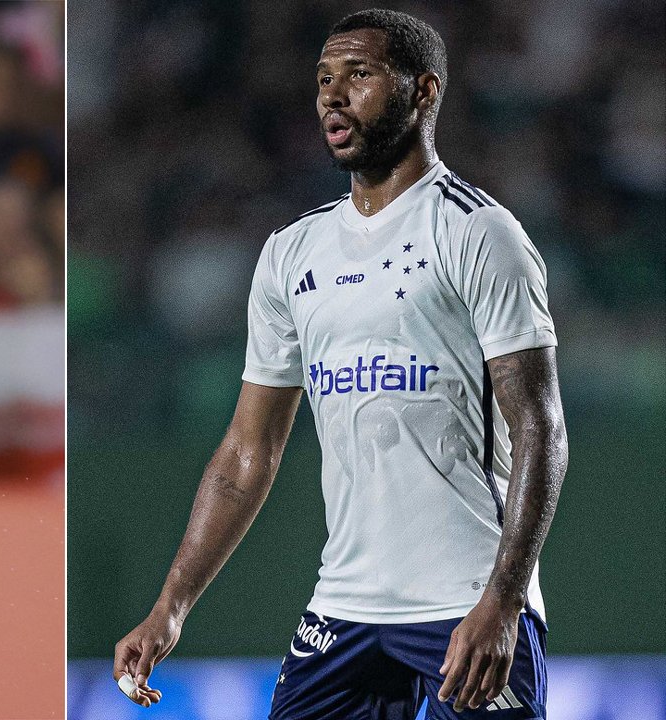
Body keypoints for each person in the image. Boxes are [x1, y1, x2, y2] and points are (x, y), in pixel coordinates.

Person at [113, 9, 567, 719]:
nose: (332, 94)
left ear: (424, 92)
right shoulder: (292, 253)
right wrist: (171, 606)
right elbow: (245, 451)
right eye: (324, 78)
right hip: (345, 607)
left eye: (359, 75)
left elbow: (541, 428)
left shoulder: (480, 233)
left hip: (467, 601)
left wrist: (505, 601)